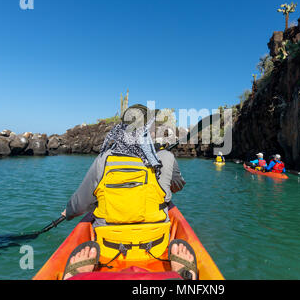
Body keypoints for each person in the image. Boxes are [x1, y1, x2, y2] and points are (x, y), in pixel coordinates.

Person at [60, 105, 198, 280]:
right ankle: (184, 276)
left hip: (108, 248)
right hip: (156, 245)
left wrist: (69, 211)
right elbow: (178, 186)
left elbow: (80, 204)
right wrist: (166, 166)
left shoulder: (104, 159)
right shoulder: (165, 158)